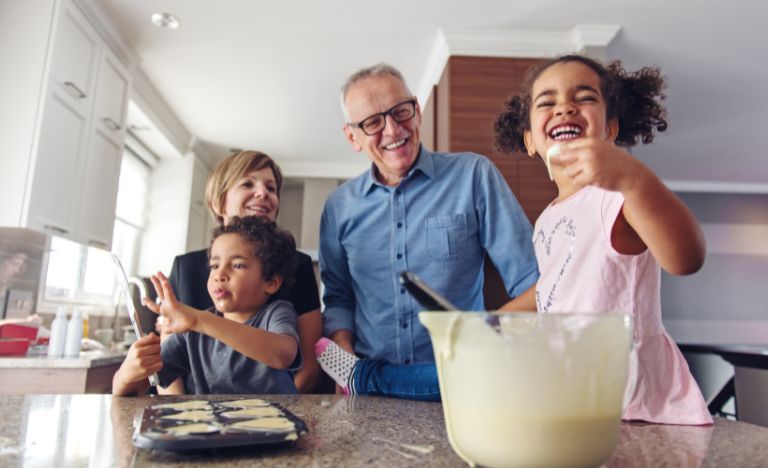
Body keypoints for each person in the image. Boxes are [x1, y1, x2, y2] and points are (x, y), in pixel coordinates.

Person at [493, 54, 711, 425]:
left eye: (584, 98)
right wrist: (493, 319)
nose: (565, 108)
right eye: (547, 102)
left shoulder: (620, 196)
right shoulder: (547, 220)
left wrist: (633, 178)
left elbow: (686, 258)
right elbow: (554, 287)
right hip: (579, 398)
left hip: (636, 407)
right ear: (530, 140)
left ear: (609, 130)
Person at [316, 63, 539, 400]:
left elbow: (534, 283)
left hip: (460, 378)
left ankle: (365, 377)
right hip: (372, 401)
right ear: (353, 137)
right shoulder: (338, 207)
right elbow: (338, 298)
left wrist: (479, 333)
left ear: (417, 110)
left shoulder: (473, 176)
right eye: (373, 122)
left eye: (400, 112)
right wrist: (343, 359)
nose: (392, 130)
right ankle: (361, 376)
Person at [167, 150, 322, 393]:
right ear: (219, 202)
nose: (264, 193)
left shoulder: (298, 265)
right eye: (248, 183)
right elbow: (167, 366)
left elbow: (307, 367)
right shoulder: (184, 268)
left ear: (273, 281)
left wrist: (277, 413)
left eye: (271, 188)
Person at [112, 216, 301, 395]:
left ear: (271, 282)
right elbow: (136, 386)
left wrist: (199, 320)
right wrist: (126, 374)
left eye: (237, 265)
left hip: (274, 427)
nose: (220, 275)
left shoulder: (276, 312)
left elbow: (283, 355)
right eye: (215, 266)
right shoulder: (194, 330)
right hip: (210, 428)